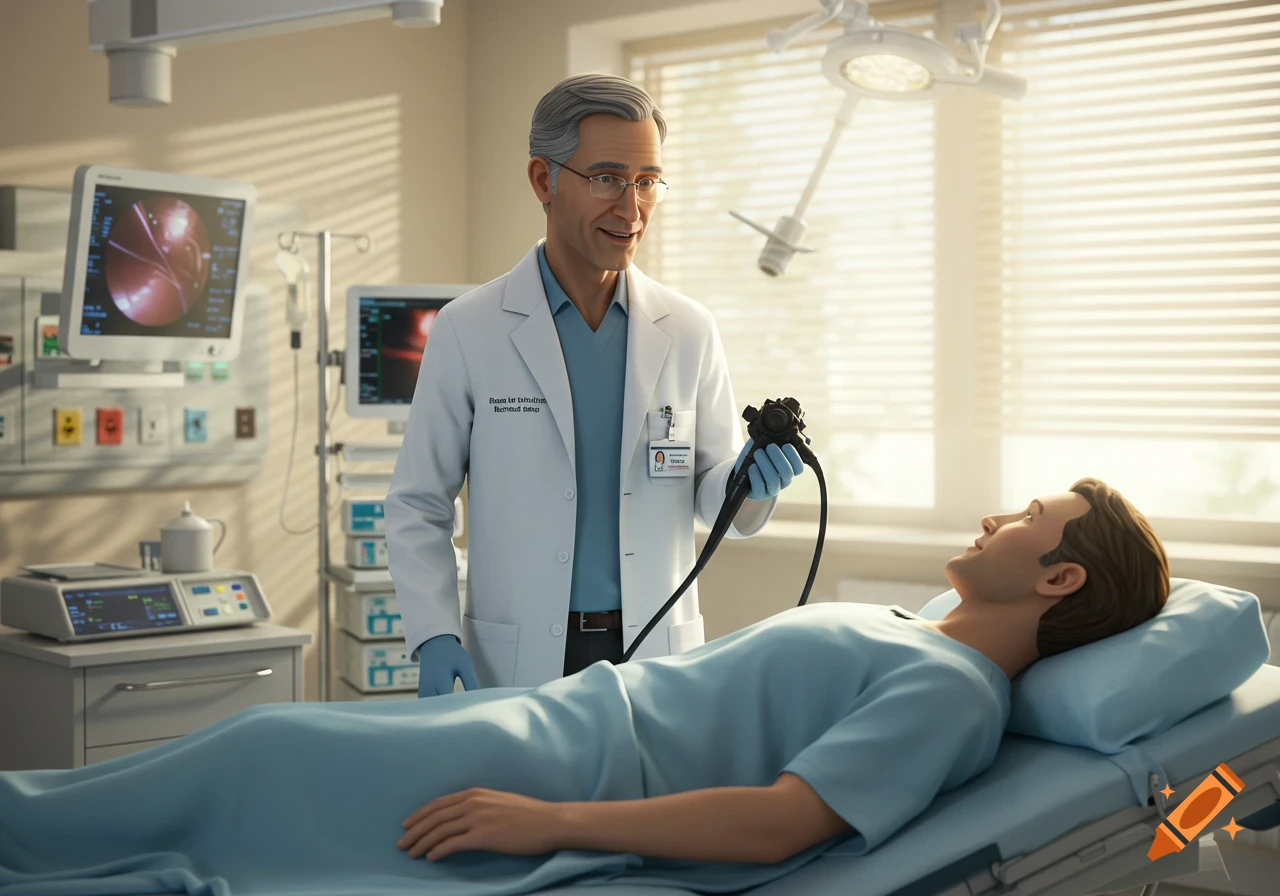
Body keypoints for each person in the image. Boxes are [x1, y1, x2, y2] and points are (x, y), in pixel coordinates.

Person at [0, 479, 1170, 896]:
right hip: (544, 715)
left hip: (564, 767)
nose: (990, 516)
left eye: (1023, 519)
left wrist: (547, 822)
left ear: (1058, 574)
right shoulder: (906, 626)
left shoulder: (955, 689)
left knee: (251, 758)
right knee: (253, 748)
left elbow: (782, 820)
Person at [385, 73, 805, 697]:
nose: (631, 208)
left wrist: (751, 479)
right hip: (519, 654)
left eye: (646, 182)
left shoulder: (687, 329)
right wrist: (434, 631)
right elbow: (419, 503)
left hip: (654, 651)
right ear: (542, 181)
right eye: (607, 178)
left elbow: (715, 500)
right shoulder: (469, 330)